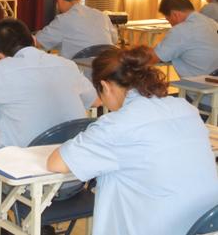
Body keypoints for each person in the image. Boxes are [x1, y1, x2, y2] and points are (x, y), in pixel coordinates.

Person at [0, 18, 98, 235]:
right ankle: (35, 223)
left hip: (29, 183)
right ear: (33, 40)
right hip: (75, 178)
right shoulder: (66, 65)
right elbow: (96, 101)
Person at [47, 46, 218, 235]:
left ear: (105, 86)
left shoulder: (117, 125)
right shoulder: (185, 108)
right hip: (206, 226)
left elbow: (57, 163)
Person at [153, 0, 218, 110]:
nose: (170, 24)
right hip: (214, 91)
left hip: (202, 98)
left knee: (154, 104)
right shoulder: (211, 22)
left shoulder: (181, 30)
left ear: (175, 15)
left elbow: (153, 57)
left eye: (168, 19)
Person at [34, 0, 118, 59]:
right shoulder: (101, 15)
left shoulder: (63, 20)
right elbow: (115, 39)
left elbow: (38, 42)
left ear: (59, 0)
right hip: (108, 66)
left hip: (81, 67)